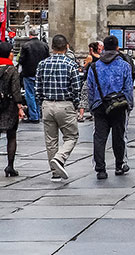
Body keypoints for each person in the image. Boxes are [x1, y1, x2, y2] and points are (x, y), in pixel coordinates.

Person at [34, 33, 82, 181]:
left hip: (47, 105)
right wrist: (75, 104)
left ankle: (54, 172)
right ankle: (60, 158)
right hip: (65, 104)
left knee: (51, 140)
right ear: (66, 47)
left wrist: (42, 102)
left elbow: (37, 88)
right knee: (71, 136)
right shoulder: (71, 64)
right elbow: (76, 87)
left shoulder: (42, 64)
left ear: (52, 47)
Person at [87, 34, 134, 180]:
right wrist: (129, 105)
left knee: (99, 137)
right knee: (119, 136)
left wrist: (92, 106)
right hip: (119, 105)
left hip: (100, 105)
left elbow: (90, 88)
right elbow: (128, 88)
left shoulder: (94, 66)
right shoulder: (124, 66)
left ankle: (100, 169)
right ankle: (119, 165)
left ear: (103, 49)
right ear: (117, 48)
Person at [0, 40, 25, 176]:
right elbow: (16, 91)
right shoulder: (11, 69)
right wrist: (19, 107)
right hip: (9, 106)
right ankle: (10, 166)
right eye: (11, 52)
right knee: (11, 136)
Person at [18, 32, 50, 123]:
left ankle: (33, 116)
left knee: (30, 95)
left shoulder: (26, 45)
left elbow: (21, 60)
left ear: (30, 35)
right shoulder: (44, 45)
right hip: (41, 74)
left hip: (28, 73)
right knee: (38, 94)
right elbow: (47, 58)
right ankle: (39, 114)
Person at [77, 40, 102, 123]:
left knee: (84, 96)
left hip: (88, 79)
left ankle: (81, 115)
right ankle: (93, 114)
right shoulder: (100, 57)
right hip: (97, 80)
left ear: (91, 49)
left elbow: (85, 67)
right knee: (95, 97)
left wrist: (80, 67)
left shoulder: (90, 57)